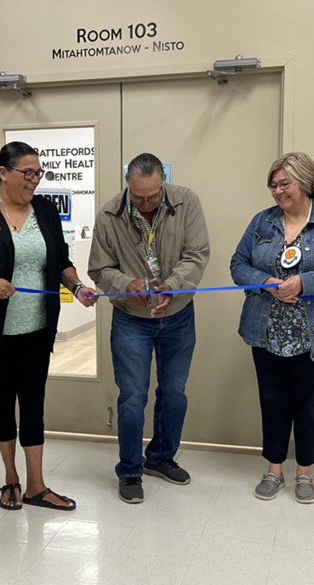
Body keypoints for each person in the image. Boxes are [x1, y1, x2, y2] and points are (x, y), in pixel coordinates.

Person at [0, 141, 96, 512]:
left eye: (38, 173)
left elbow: (61, 261)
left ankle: (36, 485)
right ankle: (10, 480)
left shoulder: (44, 210)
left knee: (33, 404)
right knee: (1, 404)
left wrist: (76, 286)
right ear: (3, 172)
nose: (34, 180)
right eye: (27, 173)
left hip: (37, 328)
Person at [230, 152, 314, 504]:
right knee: (272, 401)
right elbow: (238, 264)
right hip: (266, 330)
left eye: (284, 184)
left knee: (308, 404)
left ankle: (304, 472)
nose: (277, 191)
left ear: (305, 182)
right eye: (273, 185)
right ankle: (274, 470)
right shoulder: (262, 222)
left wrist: (307, 282)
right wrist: (264, 282)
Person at [88, 153, 210, 504]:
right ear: (128, 184)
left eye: (153, 196)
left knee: (174, 392)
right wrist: (126, 283)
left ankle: (161, 456)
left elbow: (197, 253)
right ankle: (129, 469)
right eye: (138, 197)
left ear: (163, 183)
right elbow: (99, 269)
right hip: (131, 320)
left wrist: (173, 285)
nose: (145, 204)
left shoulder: (187, 202)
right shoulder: (110, 215)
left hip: (178, 315)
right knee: (132, 397)